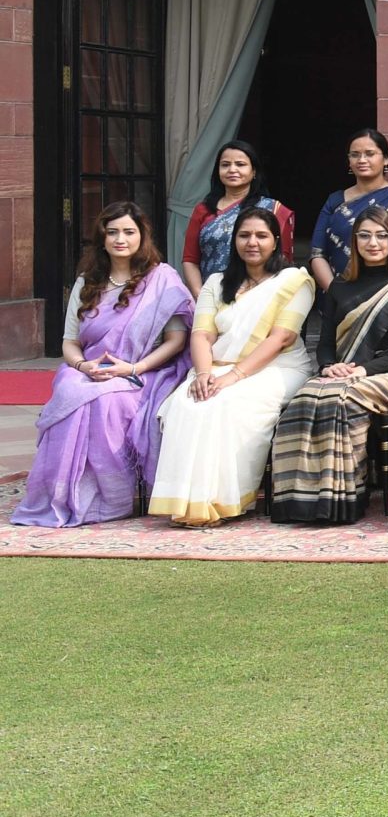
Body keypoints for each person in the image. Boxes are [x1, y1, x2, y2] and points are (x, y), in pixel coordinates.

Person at [11, 203, 193, 528]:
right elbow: (69, 341)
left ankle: (112, 499)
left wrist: (132, 368)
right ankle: (62, 496)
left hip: (143, 373)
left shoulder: (163, 279)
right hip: (87, 368)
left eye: (128, 231)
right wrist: (82, 366)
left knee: (107, 400)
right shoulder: (87, 282)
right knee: (69, 392)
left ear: (142, 236)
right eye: (112, 232)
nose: (120, 239)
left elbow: (176, 341)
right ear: (102, 238)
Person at [148, 207, 315, 526]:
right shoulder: (216, 282)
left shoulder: (295, 280)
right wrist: (203, 374)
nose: (252, 242)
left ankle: (222, 501)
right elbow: (202, 333)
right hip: (218, 367)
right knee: (189, 401)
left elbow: (280, 338)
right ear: (234, 240)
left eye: (261, 236)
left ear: (276, 241)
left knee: (225, 403)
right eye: (244, 235)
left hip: (278, 367)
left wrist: (234, 377)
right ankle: (186, 502)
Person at [269, 208, 388, 525]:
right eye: (365, 235)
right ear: (354, 241)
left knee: (340, 400)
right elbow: (327, 342)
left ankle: (342, 499)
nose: (373, 243)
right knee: (303, 400)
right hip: (342, 371)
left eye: (382, 235)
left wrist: (364, 370)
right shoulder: (339, 287)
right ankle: (300, 502)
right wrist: (328, 365)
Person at [311, 128, 388, 288]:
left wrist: (372, 300)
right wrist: (336, 294)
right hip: (335, 298)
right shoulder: (335, 201)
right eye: (355, 154)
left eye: (370, 154)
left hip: (386, 300)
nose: (361, 160)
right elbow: (317, 253)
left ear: (385, 159)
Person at [180, 141, 294, 294]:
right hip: (210, 297)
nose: (232, 169)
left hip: (259, 298)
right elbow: (190, 259)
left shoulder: (274, 210)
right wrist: (200, 296)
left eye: (240, 164)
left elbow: (282, 260)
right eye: (225, 165)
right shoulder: (203, 210)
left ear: (254, 171)